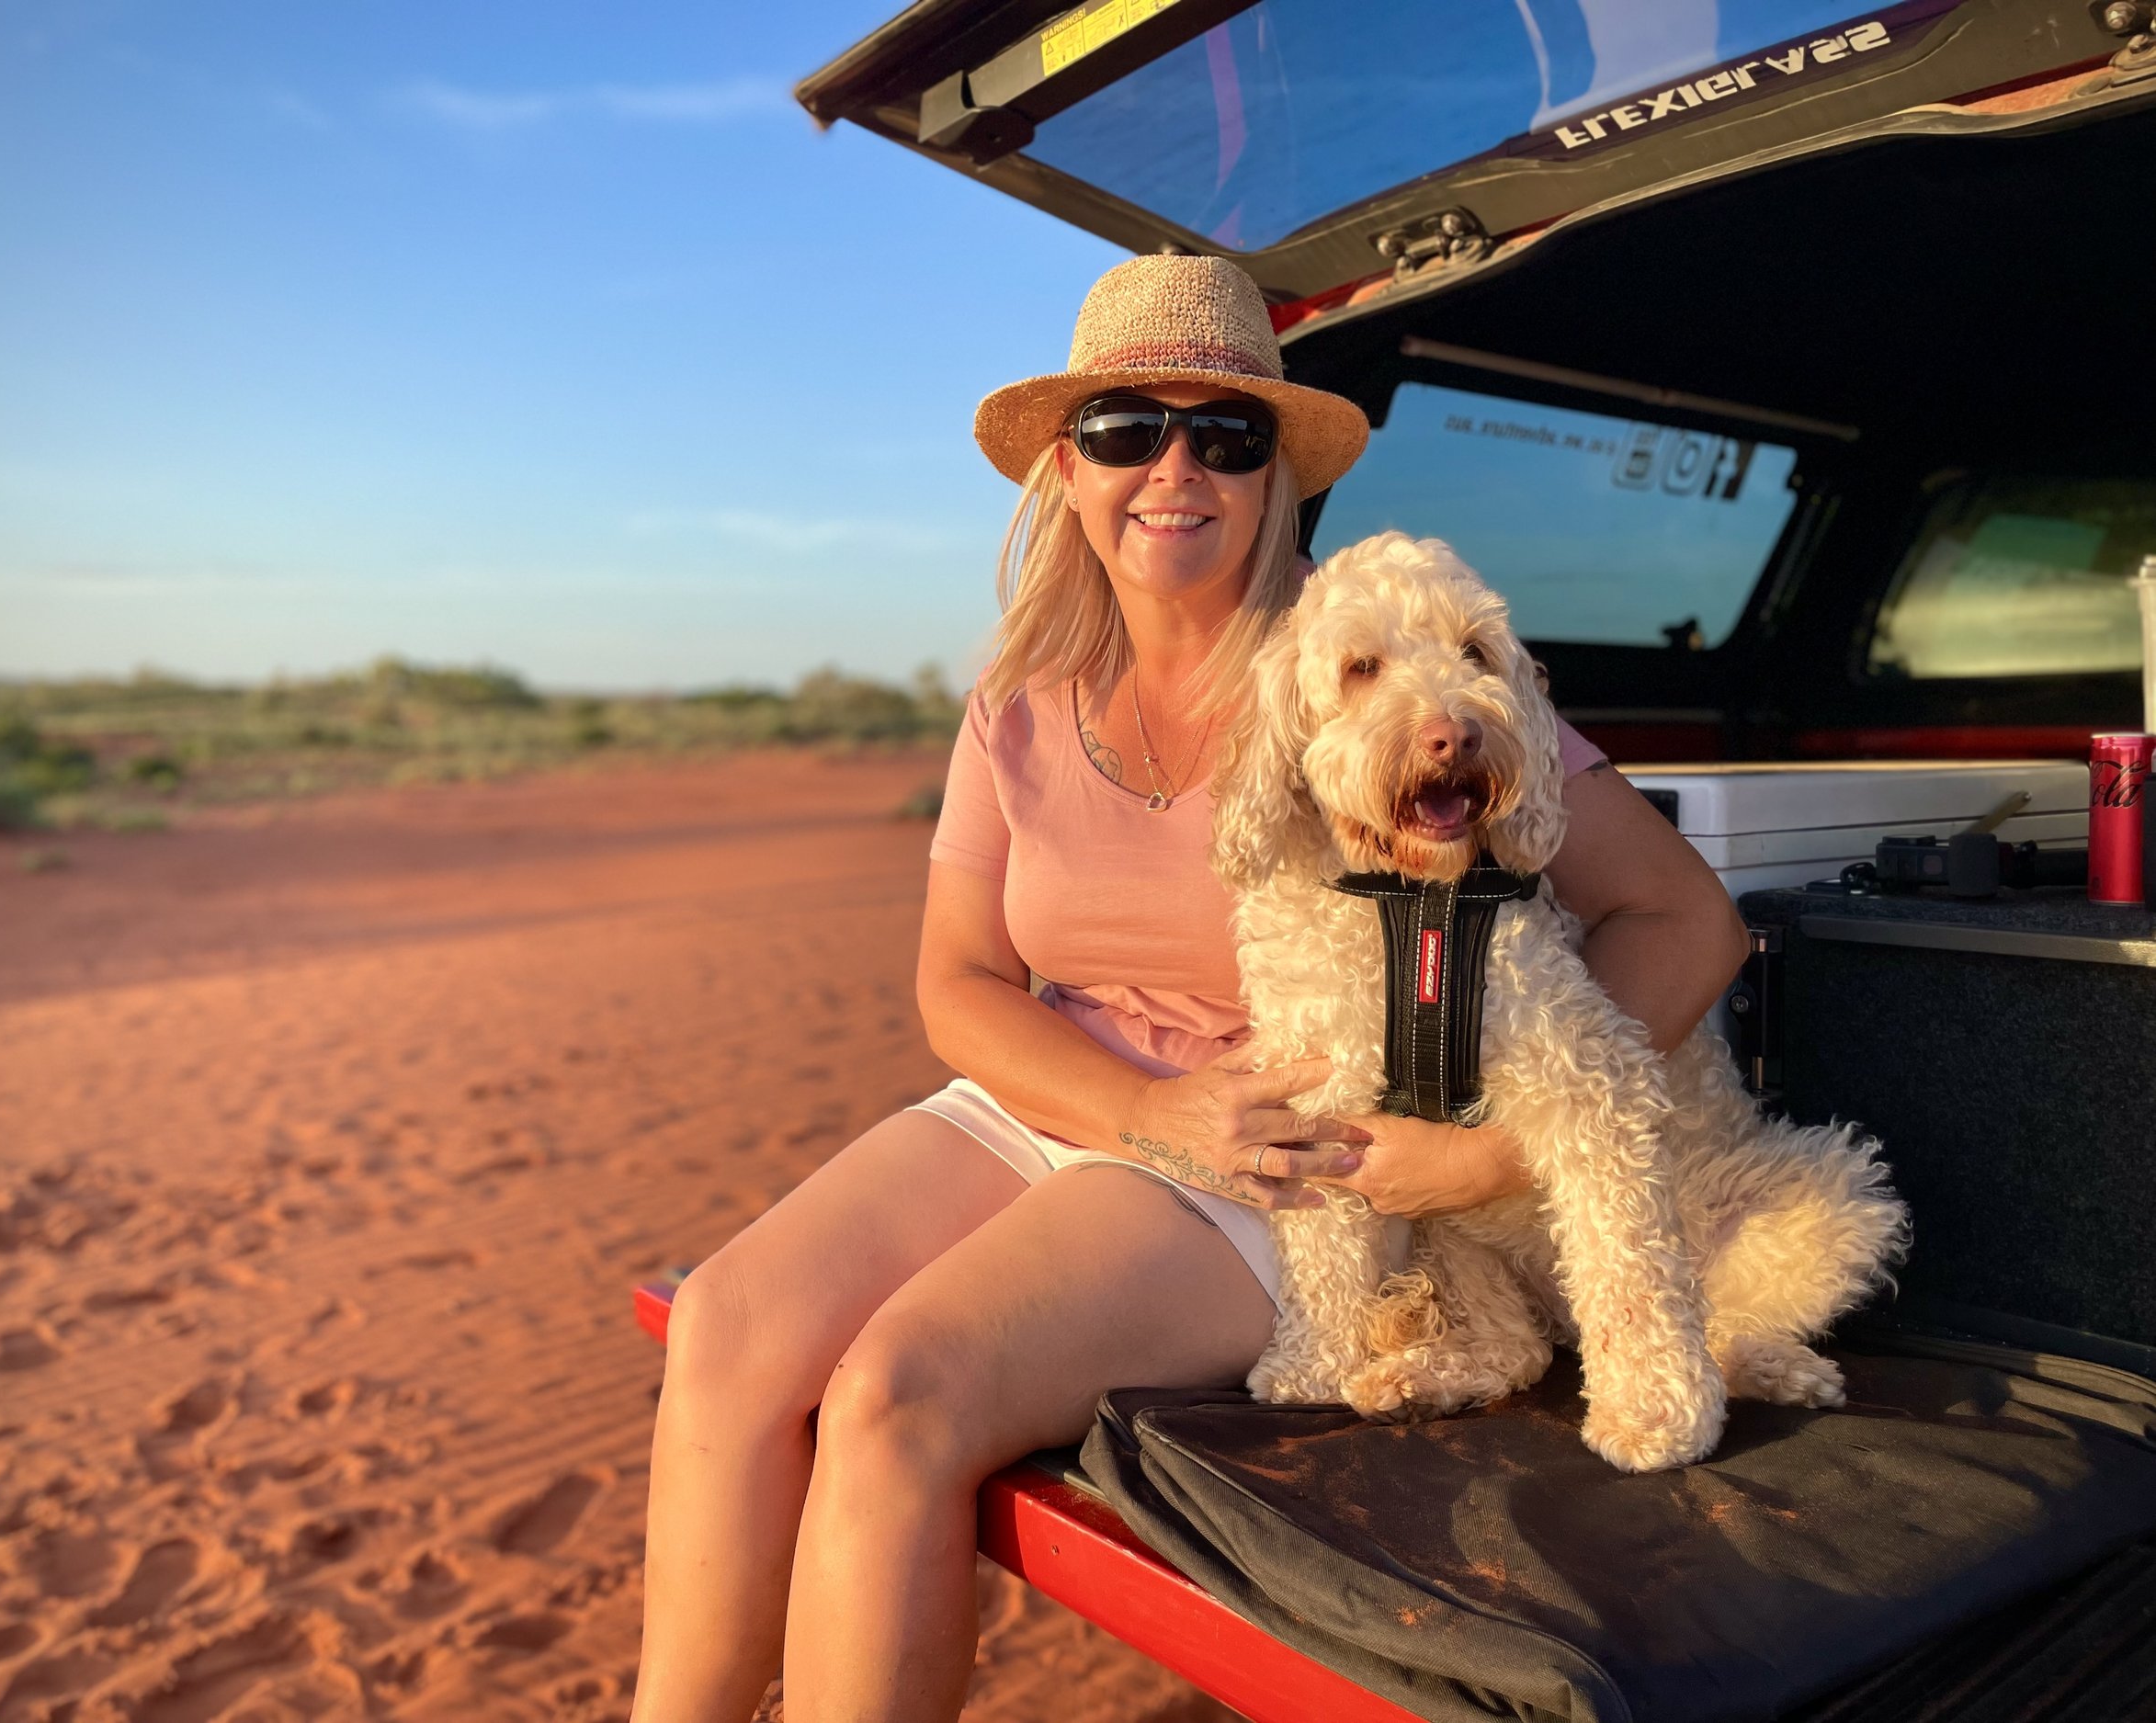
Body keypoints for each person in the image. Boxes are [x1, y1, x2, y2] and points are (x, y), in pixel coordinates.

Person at [632, 255, 1747, 1723]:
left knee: (897, 1392)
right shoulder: (1018, 697)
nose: (1175, 469)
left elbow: (1685, 918)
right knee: (726, 1323)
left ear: (1273, 475)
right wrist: (1138, 1106)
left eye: (1224, 435)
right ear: (1066, 468)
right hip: (1072, 1098)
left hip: (1273, 1160)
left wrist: (1491, 1151)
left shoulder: (1364, 665)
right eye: (1124, 431)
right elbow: (961, 985)